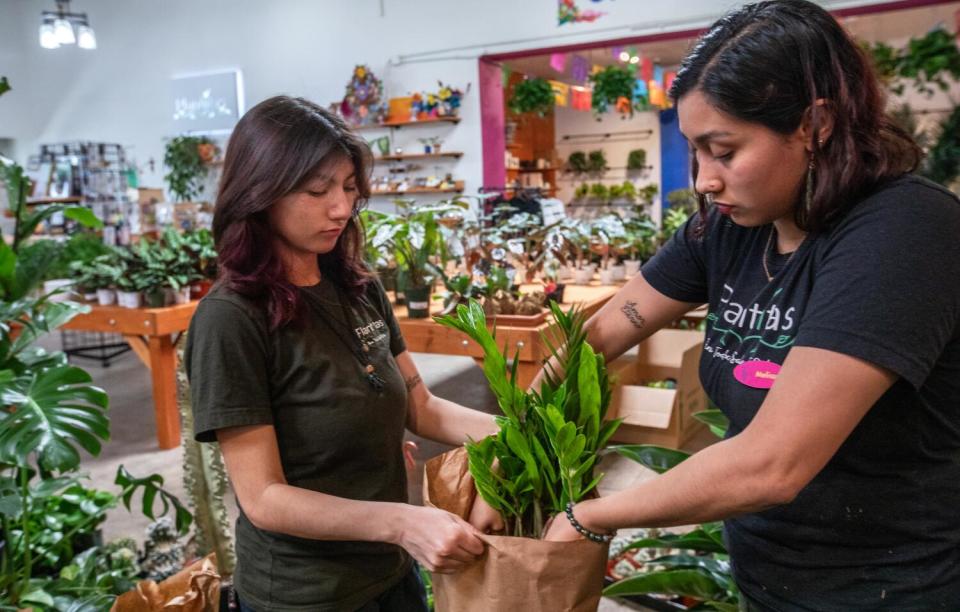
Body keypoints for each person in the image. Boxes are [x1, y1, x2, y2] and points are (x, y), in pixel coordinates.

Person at [537, 1, 960, 609]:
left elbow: (773, 464)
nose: (704, 179)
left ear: (815, 124)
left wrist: (592, 515)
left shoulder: (903, 231)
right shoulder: (729, 226)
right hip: (767, 577)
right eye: (695, 151)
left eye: (725, 150)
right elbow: (603, 332)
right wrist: (515, 433)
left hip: (891, 589)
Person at [185, 95, 497, 612]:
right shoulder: (231, 319)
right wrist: (402, 521)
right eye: (317, 189)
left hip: (391, 569)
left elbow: (423, 406)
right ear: (260, 193)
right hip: (308, 592)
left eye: (350, 188)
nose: (341, 208)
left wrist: (515, 434)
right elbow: (264, 498)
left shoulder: (356, 287)